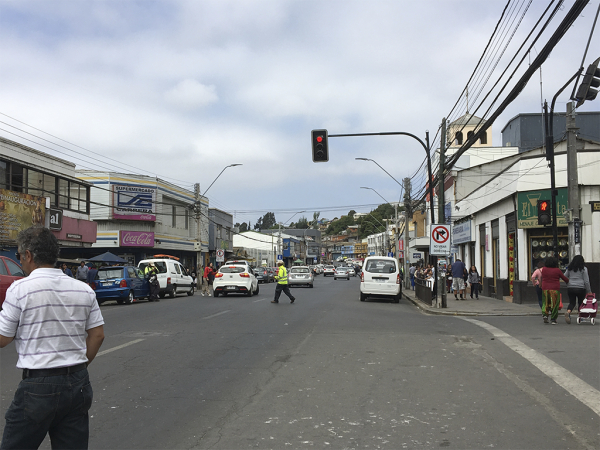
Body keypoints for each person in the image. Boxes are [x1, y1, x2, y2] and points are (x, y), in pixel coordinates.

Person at [0, 227, 105, 449]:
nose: (21, 260)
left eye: (19, 256)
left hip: (38, 387)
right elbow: (97, 335)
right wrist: (79, 364)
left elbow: (2, 338)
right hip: (78, 382)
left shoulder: (19, 289)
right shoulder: (83, 289)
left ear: (28, 255)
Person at [563, 255, 592, 324]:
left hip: (571, 287)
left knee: (572, 302)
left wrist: (568, 284)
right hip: (580, 288)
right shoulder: (584, 269)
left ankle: (568, 312)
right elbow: (586, 281)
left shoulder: (569, 268)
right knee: (581, 303)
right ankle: (581, 317)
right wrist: (589, 291)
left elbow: (564, 276)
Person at [540, 256, 569, 325]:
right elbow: (564, 278)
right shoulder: (557, 270)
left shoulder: (544, 269)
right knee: (555, 304)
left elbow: (541, 277)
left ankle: (545, 314)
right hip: (555, 288)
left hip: (545, 288)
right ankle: (553, 319)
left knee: (545, 303)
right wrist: (568, 281)